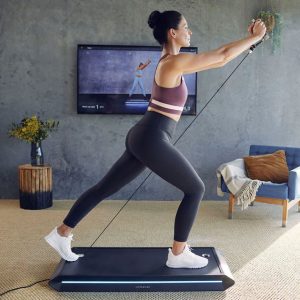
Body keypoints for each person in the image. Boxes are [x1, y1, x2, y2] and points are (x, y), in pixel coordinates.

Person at [45, 10, 266, 268]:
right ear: (173, 33)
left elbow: (222, 53)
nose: (189, 32)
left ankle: (61, 233)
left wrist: (248, 38)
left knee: (104, 188)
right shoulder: (172, 62)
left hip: (145, 135)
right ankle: (178, 253)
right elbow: (222, 58)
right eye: (186, 27)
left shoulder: (171, 60)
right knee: (195, 189)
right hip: (151, 137)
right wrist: (256, 37)